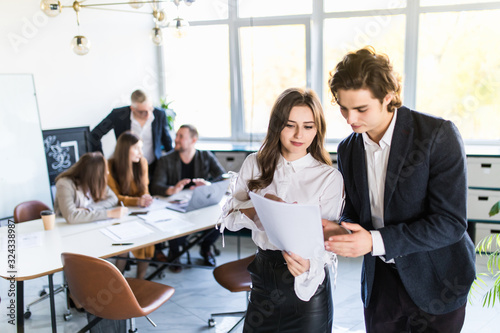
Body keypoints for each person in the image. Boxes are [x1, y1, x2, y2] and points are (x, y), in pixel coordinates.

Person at [324, 46, 476, 333]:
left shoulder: (437, 135)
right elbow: (352, 212)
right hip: (380, 285)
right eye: (343, 107)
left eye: (361, 108)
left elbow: (450, 224)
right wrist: (341, 229)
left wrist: (373, 241)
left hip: (437, 280)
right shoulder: (348, 148)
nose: (350, 119)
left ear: (388, 96)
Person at [220, 88, 344, 332]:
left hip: (306, 285)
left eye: (308, 126)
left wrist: (309, 264)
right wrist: (256, 213)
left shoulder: (329, 177)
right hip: (263, 279)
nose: (299, 134)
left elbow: (328, 244)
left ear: (317, 129)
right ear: (277, 125)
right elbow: (227, 218)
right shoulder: (254, 163)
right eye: (290, 125)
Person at [151, 124, 226, 271]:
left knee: (221, 218)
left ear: (193, 140)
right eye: (176, 136)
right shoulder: (166, 159)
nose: (176, 139)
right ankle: (175, 251)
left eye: (181, 136)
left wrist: (207, 184)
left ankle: (205, 248)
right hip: (176, 205)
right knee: (175, 222)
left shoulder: (205, 156)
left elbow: (223, 177)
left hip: (200, 202)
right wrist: (172, 189)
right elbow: (155, 186)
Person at [89, 89, 173, 178]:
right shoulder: (118, 115)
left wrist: (173, 164)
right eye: (142, 112)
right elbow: (94, 135)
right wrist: (101, 160)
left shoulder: (160, 114)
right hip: (125, 167)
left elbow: (167, 140)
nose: (148, 115)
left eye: (150, 109)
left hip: (153, 166)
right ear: (132, 108)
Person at [107, 131, 154, 279]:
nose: (141, 153)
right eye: (136, 148)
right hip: (117, 214)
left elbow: (144, 189)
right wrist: (137, 201)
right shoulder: (110, 165)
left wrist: (145, 198)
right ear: (124, 149)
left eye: (141, 148)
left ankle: (140, 280)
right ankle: (119, 280)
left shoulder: (142, 163)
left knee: (149, 241)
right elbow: (115, 198)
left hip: (139, 212)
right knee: (124, 247)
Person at [54, 152, 128, 224]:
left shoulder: (95, 183)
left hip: (87, 224)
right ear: (95, 175)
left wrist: (90, 209)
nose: (107, 173)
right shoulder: (64, 184)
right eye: (105, 171)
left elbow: (113, 199)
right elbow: (71, 216)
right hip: (65, 227)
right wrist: (109, 213)